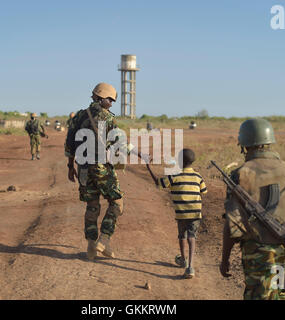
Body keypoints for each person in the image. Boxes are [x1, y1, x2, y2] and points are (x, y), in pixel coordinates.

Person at [220, 118, 285, 300]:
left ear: (244, 144)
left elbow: (231, 222)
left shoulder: (241, 174)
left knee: (259, 296)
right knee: (280, 293)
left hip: (258, 253)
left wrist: (225, 258)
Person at [64, 83, 149, 261]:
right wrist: (139, 153)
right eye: (109, 99)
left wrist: (70, 166)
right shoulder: (107, 119)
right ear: (99, 98)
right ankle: (104, 239)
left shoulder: (78, 116)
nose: (111, 103)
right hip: (101, 167)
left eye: (112, 100)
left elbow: (70, 143)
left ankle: (91, 247)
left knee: (92, 205)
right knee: (117, 203)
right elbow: (121, 143)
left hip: (83, 168)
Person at [146, 148, 207, 279]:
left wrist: (148, 167)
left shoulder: (174, 175)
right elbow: (204, 191)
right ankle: (190, 267)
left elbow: (159, 183)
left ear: (179, 161)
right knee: (192, 237)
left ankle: (183, 260)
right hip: (195, 213)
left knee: (182, 235)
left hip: (181, 213)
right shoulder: (198, 176)